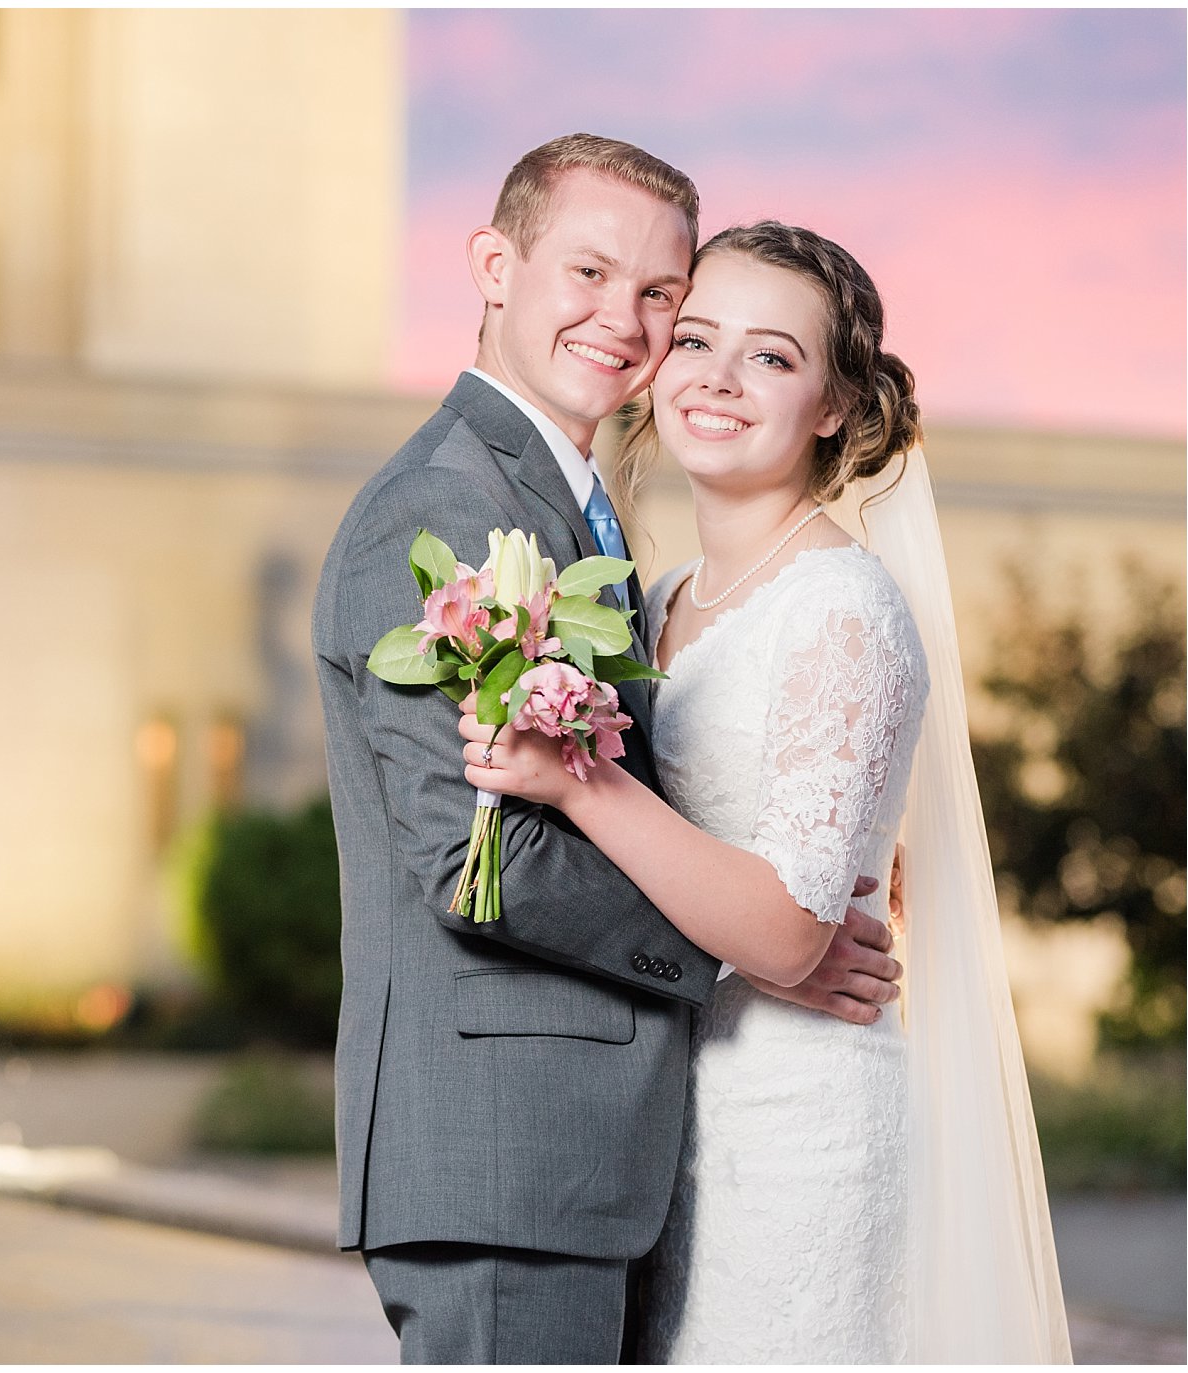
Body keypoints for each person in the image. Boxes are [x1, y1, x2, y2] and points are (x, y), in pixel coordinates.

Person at [311, 135, 902, 1365]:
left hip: (600, 1157)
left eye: (657, 295)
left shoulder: (586, 523)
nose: (622, 320)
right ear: (491, 264)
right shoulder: (445, 504)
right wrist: (752, 954)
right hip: (503, 1148)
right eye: (586, 271)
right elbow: (481, 859)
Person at [458, 222, 1070, 1361]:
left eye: (772, 357)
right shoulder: (664, 597)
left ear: (834, 405)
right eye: (694, 339)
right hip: (673, 1104)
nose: (717, 378)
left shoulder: (841, 607)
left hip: (799, 1123)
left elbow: (791, 927)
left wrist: (581, 783)